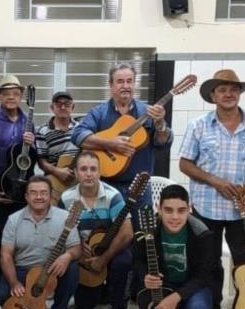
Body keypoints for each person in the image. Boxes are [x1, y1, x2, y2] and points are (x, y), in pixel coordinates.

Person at [178, 69, 245, 309]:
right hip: (207, 206)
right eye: (222, 89)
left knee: (244, 262)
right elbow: (185, 164)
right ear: (213, 96)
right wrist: (215, 180)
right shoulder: (199, 125)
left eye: (233, 89)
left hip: (241, 209)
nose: (229, 94)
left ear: (239, 93)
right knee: (209, 261)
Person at [71, 63, 170, 213]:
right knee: (107, 234)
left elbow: (162, 144)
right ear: (111, 85)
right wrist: (110, 144)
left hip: (141, 188)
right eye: (120, 81)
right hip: (106, 186)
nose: (126, 86)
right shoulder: (99, 113)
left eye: (129, 81)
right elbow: (78, 136)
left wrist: (160, 123)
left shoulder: (148, 112)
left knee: (143, 233)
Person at [134, 185, 214, 309]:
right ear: (158, 208)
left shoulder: (202, 233)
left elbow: (205, 274)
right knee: (152, 307)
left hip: (191, 285)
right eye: (168, 210)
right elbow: (137, 260)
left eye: (181, 210)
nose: (175, 217)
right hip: (162, 285)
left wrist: (176, 297)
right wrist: (145, 276)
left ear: (189, 209)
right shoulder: (148, 229)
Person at [59, 151, 133, 309]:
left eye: (93, 169)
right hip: (83, 255)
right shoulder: (66, 198)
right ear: (76, 173)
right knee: (84, 307)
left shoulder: (112, 196)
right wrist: (77, 245)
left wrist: (103, 259)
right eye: (83, 169)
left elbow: (127, 232)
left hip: (110, 251)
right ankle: (103, 289)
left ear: (99, 173)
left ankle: (118, 307)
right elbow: (60, 231)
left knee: (123, 260)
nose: (89, 173)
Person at [0, 176, 80, 309]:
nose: (39, 197)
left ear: (51, 196)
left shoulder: (64, 217)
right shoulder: (13, 219)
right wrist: (14, 283)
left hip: (51, 270)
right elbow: (6, 255)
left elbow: (76, 248)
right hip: (23, 269)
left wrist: (67, 256)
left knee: (73, 268)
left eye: (44, 193)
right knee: (3, 296)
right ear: (26, 196)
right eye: (33, 193)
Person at [0, 75, 35, 282]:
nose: (11, 97)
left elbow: (31, 157)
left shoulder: (28, 121)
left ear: (21, 96)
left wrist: (32, 144)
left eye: (16, 94)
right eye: (6, 94)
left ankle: (18, 279)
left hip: (22, 185)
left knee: (21, 234)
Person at [36, 91, 80, 200]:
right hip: (55, 182)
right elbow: (41, 160)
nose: (63, 107)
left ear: (73, 107)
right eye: (59, 104)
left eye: (67, 104)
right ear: (52, 107)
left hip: (79, 183)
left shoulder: (81, 128)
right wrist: (57, 172)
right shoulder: (43, 131)